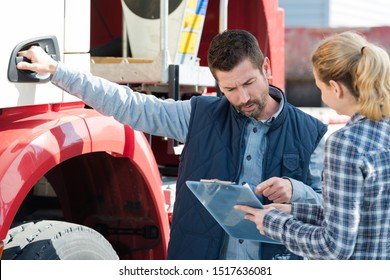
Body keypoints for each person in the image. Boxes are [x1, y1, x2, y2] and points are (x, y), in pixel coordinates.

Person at [16, 29, 327, 260]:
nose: (242, 98)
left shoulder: (313, 133)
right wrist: (57, 71)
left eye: (249, 83)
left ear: (267, 69)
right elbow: (128, 104)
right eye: (230, 88)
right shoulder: (197, 116)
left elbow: (331, 210)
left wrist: (294, 189)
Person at [236, 31, 390, 260]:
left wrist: (272, 223)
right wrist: (297, 211)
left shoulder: (345, 144)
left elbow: (334, 247)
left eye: (319, 86)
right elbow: (362, 216)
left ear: (335, 88)